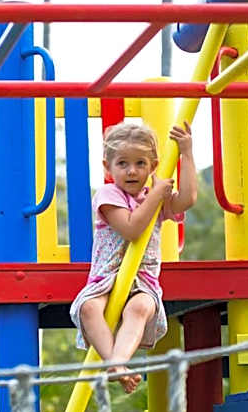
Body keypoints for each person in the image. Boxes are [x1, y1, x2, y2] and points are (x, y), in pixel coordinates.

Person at [70, 120, 197, 393]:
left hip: (143, 281)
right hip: (106, 278)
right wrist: (157, 196)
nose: (131, 171)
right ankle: (114, 365)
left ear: (153, 166)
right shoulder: (107, 195)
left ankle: (119, 361)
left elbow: (187, 199)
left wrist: (186, 152)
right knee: (88, 308)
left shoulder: (156, 196)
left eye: (140, 163)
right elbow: (131, 228)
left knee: (138, 309)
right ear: (108, 167)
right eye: (123, 163)